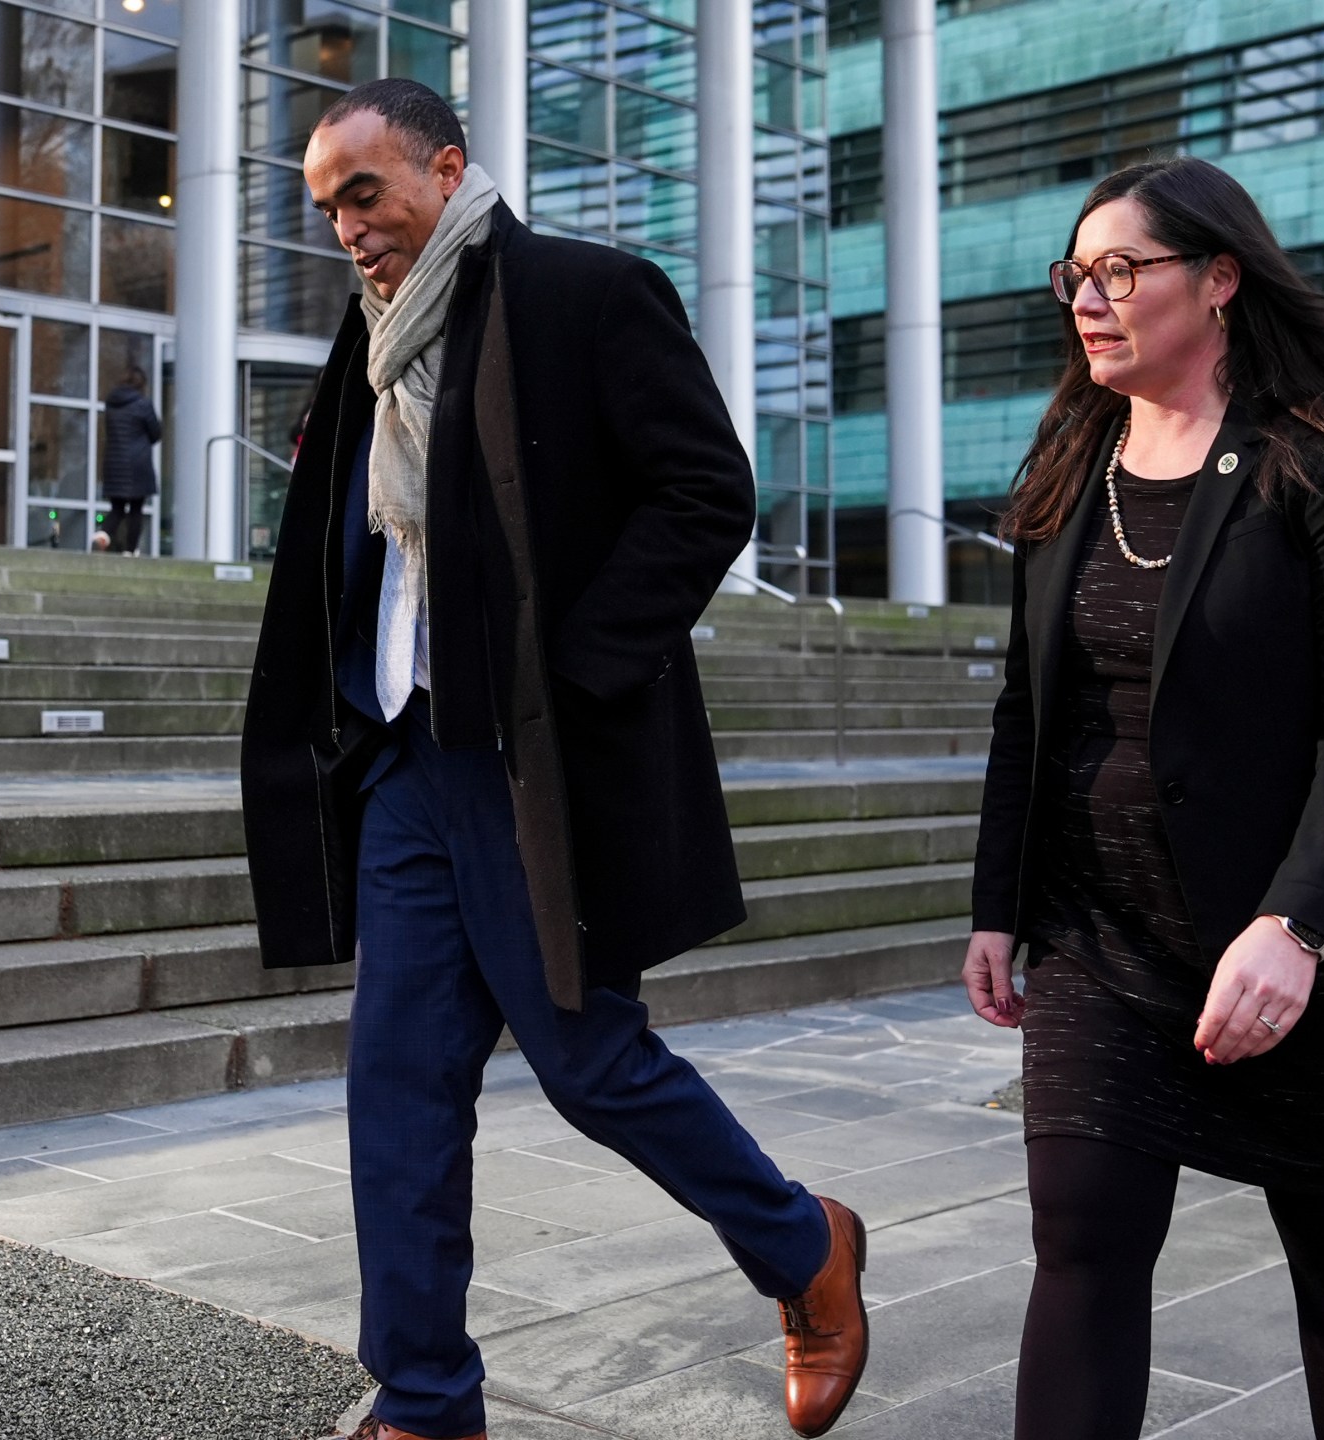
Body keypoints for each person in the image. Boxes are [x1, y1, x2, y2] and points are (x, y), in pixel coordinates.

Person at [240, 80, 868, 1440]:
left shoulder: (588, 295)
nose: (348, 227)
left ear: (446, 166)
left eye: (368, 191)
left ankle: (805, 1248)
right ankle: (423, 1398)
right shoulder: (367, 348)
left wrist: (577, 670)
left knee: (589, 1063)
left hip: (534, 765)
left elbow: (708, 488)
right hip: (408, 759)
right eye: (326, 207)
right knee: (396, 1084)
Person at [963, 156, 1324, 1440]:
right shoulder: (1074, 449)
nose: (1088, 297)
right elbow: (1032, 703)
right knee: (1079, 1238)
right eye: (1075, 274)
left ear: (1221, 278)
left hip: (1301, 939)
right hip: (1101, 930)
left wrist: (1296, 924)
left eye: (1121, 270)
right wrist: (995, 904)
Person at [99, 367, 160, 555]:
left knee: (117, 508)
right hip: (137, 464)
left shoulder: (111, 405)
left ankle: (103, 533)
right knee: (136, 508)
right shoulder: (143, 404)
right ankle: (130, 550)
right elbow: (156, 433)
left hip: (114, 463)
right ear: (141, 384)